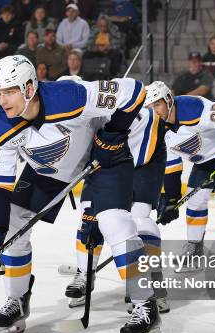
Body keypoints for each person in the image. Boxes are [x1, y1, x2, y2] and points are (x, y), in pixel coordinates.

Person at [0, 55, 162, 333]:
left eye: (9, 91)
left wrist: (113, 134)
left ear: (28, 88)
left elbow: (134, 91)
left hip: (103, 159)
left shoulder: (70, 96)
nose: (3, 100)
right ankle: (17, 300)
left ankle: (145, 305)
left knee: (115, 223)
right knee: (12, 224)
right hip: (48, 170)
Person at [63, 78, 177, 314]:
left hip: (141, 163)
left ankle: (152, 284)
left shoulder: (142, 118)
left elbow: (139, 157)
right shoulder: (79, 120)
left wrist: (171, 195)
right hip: (108, 159)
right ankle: (85, 273)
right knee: (89, 216)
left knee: (138, 218)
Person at [147, 82, 215, 278]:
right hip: (205, 161)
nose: (154, 112)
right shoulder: (159, 130)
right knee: (195, 201)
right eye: (149, 107)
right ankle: (194, 252)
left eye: (157, 105)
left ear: (168, 100)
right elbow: (172, 167)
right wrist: (171, 199)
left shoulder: (193, 110)